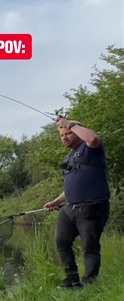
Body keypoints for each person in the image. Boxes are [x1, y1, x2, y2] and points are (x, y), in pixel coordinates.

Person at [44, 117, 110, 288]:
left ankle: (89, 282)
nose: (65, 137)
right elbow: (72, 186)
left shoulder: (90, 149)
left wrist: (71, 124)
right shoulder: (70, 156)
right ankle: (72, 279)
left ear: (77, 132)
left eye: (68, 134)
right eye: (62, 135)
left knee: (90, 246)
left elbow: (93, 139)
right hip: (69, 209)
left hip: (91, 207)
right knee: (61, 241)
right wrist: (56, 201)